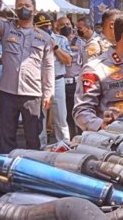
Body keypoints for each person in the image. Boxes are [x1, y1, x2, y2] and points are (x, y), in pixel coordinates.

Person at [0, 0, 54, 153]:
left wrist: (48, 92)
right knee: (7, 137)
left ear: (34, 10)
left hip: (32, 94)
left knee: (33, 138)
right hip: (7, 93)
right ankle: (5, 175)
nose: (23, 8)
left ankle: (31, 173)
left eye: (27, 5)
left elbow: (48, 66)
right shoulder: (6, 29)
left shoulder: (44, 37)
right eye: (19, 5)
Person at [34, 12, 71, 147]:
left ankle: (64, 146)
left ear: (53, 25)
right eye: (42, 27)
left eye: (47, 26)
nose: (46, 29)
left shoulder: (61, 39)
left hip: (57, 81)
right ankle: (41, 147)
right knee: (40, 118)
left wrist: (55, 46)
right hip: (39, 82)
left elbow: (68, 60)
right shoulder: (33, 39)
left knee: (60, 117)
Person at [57, 16, 85, 139]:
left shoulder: (80, 42)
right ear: (56, 28)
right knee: (66, 115)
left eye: (68, 24)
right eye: (62, 25)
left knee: (79, 113)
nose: (66, 27)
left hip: (77, 83)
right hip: (63, 83)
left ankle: (82, 139)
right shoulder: (56, 42)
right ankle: (71, 140)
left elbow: (85, 63)